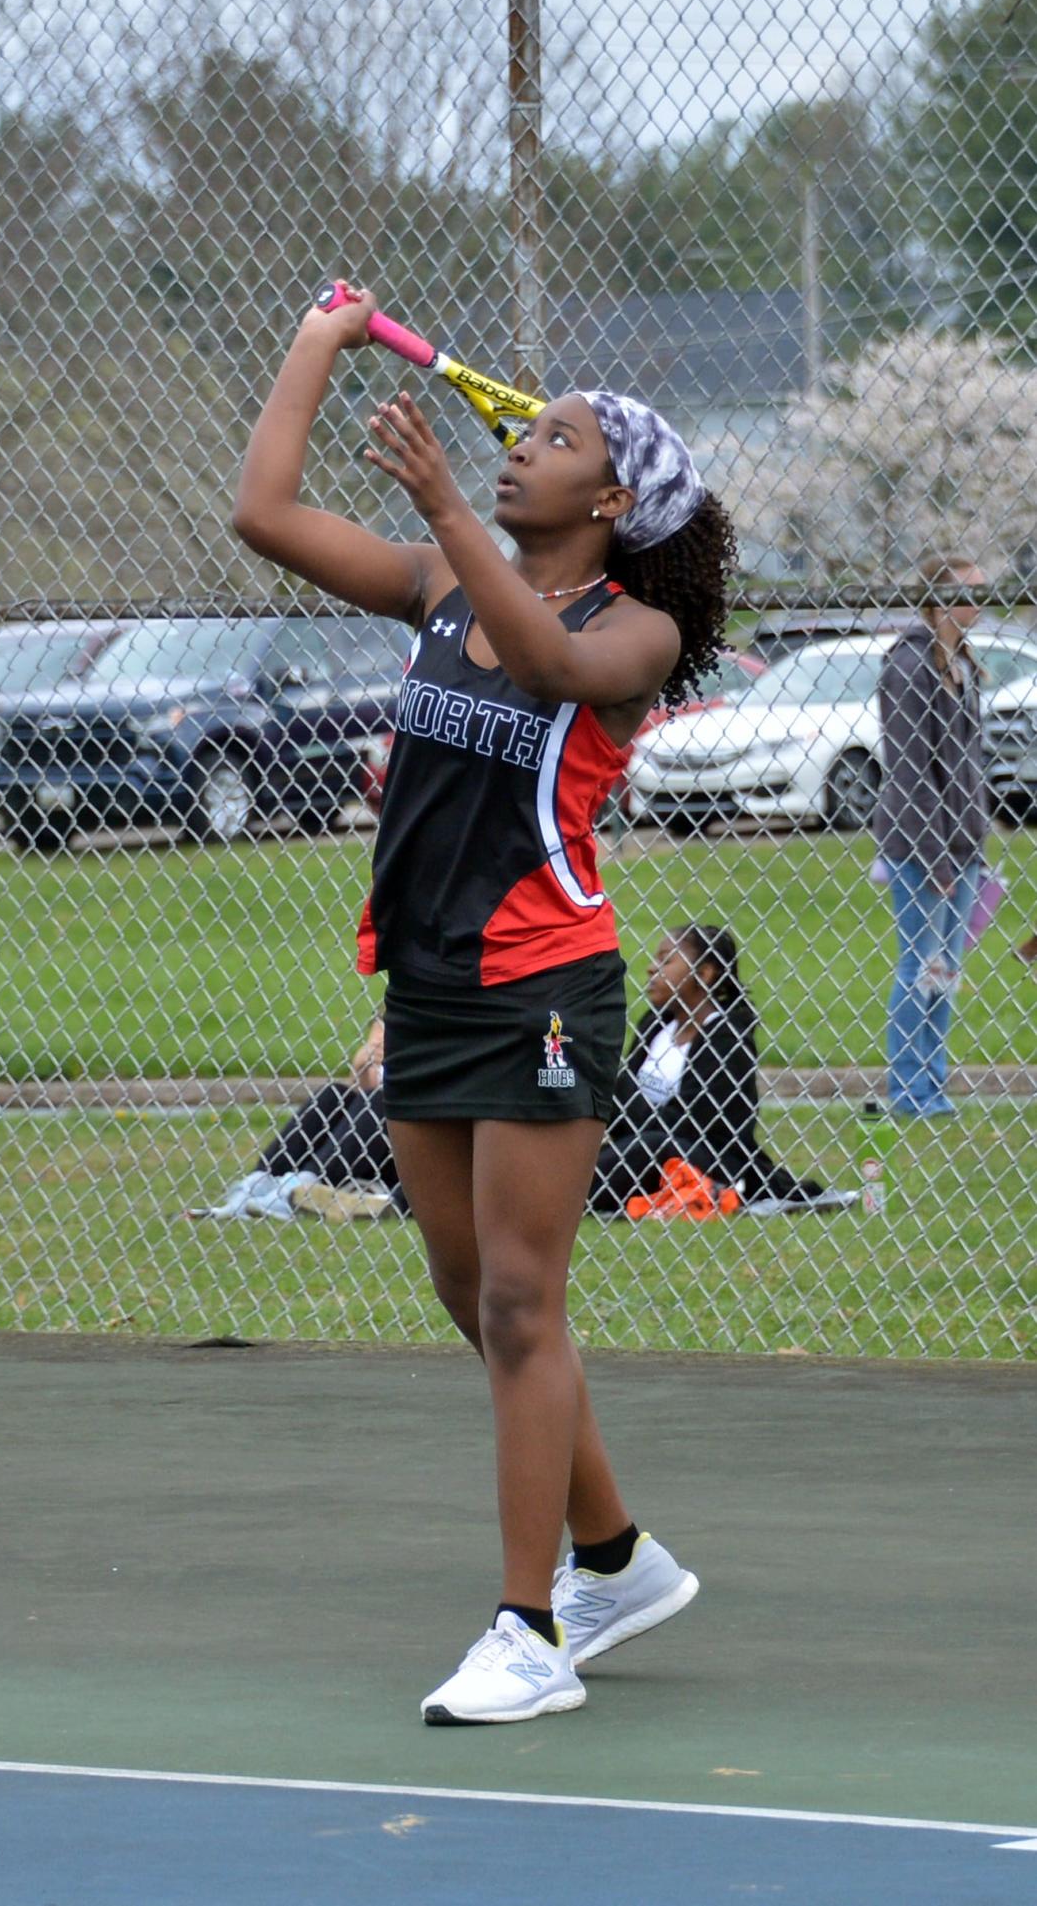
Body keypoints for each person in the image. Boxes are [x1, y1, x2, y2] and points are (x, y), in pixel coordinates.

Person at [233, 281, 736, 1726]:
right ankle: (617, 1558)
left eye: (557, 437)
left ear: (615, 494)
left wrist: (452, 507)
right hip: (433, 981)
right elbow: (263, 514)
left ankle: (529, 1632)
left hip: (545, 983)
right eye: (527, 433)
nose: (521, 446)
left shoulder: (629, 634)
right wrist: (315, 339)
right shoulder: (445, 581)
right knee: (473, 1294)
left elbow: (552, 665)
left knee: (522, 1296)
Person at [590, 925, 827, 1212]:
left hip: (713, 1161)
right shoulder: (656, 1025)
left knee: (653, 1145)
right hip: (641, 1151)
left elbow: (685, 1126)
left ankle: (565, 1195)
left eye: (666, 960)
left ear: (704, 973)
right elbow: (619, 1112)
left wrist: (614, 1083)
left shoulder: (727, 1038)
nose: (652, 969)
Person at [874, 556, 989, 1117]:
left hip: (963, 848)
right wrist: (938, 860)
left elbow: (969, 767)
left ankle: (933, 1084)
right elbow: (912, 774)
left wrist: (974, 847)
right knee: (919, 966)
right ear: (940, 600)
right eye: (970, 594)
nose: (980, 604)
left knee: (945, 970)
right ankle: (907, 1089)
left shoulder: (961, 663)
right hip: (923, 848)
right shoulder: (910, 665)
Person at [210, 1019, 399, 1222]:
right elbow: (363, 1096)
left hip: (408, 1159)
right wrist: (362, 1068)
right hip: (375, 1146)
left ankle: (301, 1192)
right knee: (335, 1094)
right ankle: (259, 1183)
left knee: (379, 1101)